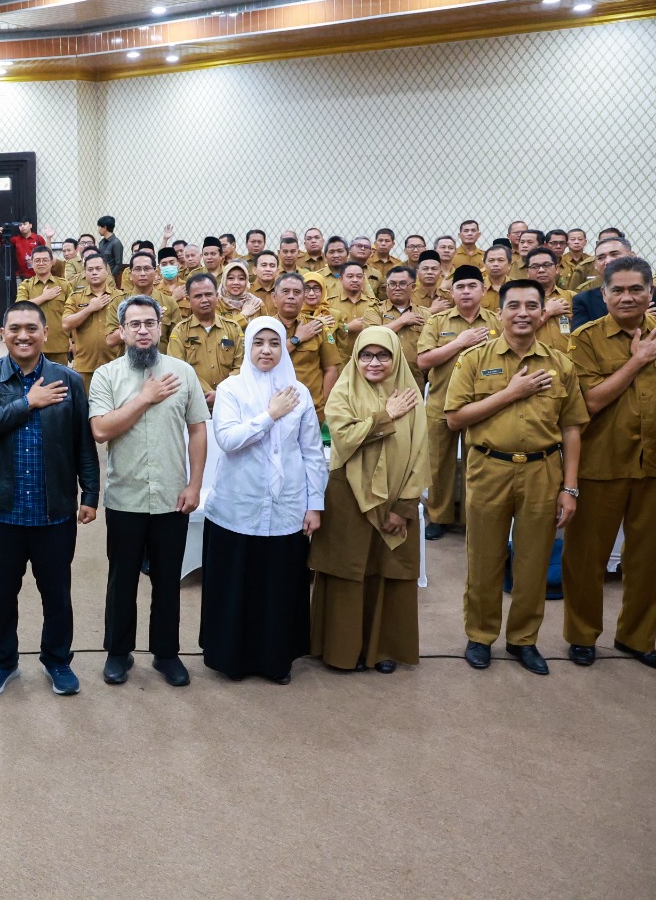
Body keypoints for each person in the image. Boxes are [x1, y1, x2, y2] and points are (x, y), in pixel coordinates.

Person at [444, 279, 588, 676]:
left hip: (543, 471)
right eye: (514, 306)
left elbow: (572, 428)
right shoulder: (474, 359)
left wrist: (570, 487)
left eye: (531, 306)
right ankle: (480, 635)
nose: (522, 313)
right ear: (500, 312)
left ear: (543, 313)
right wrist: (511, 392)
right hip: (489, 468)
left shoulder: (560, 364)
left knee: (533, 561)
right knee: (484, 558)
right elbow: (454, 418)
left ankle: (524, 639)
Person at [561, 257, 656, 670]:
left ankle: (636, 638)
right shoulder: (585, 340)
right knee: (586, 558)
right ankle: (582, 636)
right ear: (603, 294)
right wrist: (637, 360)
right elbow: (588, 402)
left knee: (649, 561)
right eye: (617, 290)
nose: (627, 297)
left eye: (636, 289)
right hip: (601, 465)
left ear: (651, 292)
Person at [0, 301, 100, 697]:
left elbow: (83, 443)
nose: (23, 336)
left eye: (31, 329)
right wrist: (28, 403)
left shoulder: (67, 380)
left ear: (45, 334)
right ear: (3, 333)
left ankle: (57, 660)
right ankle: (1, 662)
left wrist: (90, 493)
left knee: (57, 595)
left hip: (53, 512)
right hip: (2, 512)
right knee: (1, 594)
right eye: (15, 329)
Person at [198, 318, 327, 684]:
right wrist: (270, 415)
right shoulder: (231, 389)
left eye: (274, 343)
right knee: (237, 584)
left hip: (286, 505)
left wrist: (314, 504)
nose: (266, 350)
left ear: (283, 347)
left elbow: (312, 452)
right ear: (248, 347)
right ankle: (232, 660)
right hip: (238, 504)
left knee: (277, 586)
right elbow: (228, 439)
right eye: (259, 343)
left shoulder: (298, 392)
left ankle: (275, 661)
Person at [89, 295, 207, 687]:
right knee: (122, 580)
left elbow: (198, 430)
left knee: (168, 581)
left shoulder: (182, 372)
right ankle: (118, 653)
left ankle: (166, 654)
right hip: (126, 496)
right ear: (122, 331)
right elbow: (101, 429)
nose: (143, 331)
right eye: (135, 324)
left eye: (149, 323)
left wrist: (195, 484)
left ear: (160, 328)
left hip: (173, 497)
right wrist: (144, 398)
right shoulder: (107, 376)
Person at [311, 327, 427, 673]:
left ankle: (383, 650)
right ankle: (342, 650)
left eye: (383, 355)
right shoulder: (343, 391)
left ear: (395, 358)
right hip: (348, 495)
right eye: (366, 355)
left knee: (388, 570)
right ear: (356, 357)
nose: (374, 363)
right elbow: (344, 438)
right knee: (347, 571)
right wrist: (386, 415)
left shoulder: (411, 396)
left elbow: (422, 452)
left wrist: (405, 506)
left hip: (396, 497)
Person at [415, 265, 499, 539]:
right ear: (451, 292)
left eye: (472, 286)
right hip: (441, 402)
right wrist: (459, 343)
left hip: (482, 406)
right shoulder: (437, 322)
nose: (466, 292)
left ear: (483, 290)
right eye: (460, 287)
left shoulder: (496, 322)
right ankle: (439, 517)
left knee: (478, 463)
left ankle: (470, 518)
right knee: (439, 464)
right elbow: (423, 360)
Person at [269, 274, 342, 416]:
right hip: (273, 409)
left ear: (303, 298)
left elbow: (331, 369)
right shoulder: (264, 328)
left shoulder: (317, 326)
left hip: (312, 409)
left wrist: (324, 404)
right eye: (285, 291)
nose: (291, 296)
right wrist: (297, 339)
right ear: (274, 298)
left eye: (297, 292)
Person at [167, 274, 242, 410]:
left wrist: (221, 393)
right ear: (189, 300)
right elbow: (178, 371)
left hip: (231, 403)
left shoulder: (233, 328)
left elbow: (241, 367)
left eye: (208, 294)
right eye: (198, 296)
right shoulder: (180, 332)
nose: (204, 300)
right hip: (194, 406)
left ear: (217, 296)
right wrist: (205, 394)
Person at [572, 237, 656, 323]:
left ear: (632, 256)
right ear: (595, 265)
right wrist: (637, 318)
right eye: (601, 257)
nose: (608, 261)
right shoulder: (583, 300)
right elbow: (580, 339)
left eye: (614, 254)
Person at [63, 254, 121, 390]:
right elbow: (66, 324)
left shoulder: (120, 297)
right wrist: (89, 309)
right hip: (85, 366)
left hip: (115, 365)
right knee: (84, 402)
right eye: (90, 269)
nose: (94, 272)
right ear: (84, 273)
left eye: (98, 268)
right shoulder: (76, 297)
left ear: (106, 270)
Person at [17, 246, 73, 365]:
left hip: (59, 345)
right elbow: (19, 309)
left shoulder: (64, 285)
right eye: (37, 260)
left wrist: (73, 341)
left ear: (51, 262)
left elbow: (73, 313)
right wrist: (43, 297)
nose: (41, 263)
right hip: (32, 345)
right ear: (32, 263)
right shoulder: (25, 286)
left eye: (45, 260)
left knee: (59, 376)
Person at [378, 266, 428, 392]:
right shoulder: (374, 310)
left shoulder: (425, 314)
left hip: (415, 379)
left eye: (402, 284)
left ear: (413, 287)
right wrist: (402, 321)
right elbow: (371, 335)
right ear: (386, 287)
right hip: (381, 378)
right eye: (392, 284)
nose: (397, 288)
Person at [330, 262, 383, 360]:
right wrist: (346, 328)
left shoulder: (374, 304)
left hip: (367, 360)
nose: (355, 280)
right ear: (341, 279)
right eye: (350, 276)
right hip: (339, 360)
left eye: (359, 276)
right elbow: (325, 333)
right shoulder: (329, 304)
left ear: (363, 279)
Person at [96, 215, 123, 280]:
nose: (98, 230)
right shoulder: (101, 242)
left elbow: (118, 264)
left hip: (110, 279)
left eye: (99, 227)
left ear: (105, 227)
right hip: (100, 276)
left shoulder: (116, 243)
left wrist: (111, 277)